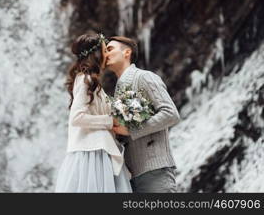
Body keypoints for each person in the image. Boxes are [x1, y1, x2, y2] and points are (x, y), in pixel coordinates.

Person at [54, 33, 132, 192]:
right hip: (92, 153)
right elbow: (76, 117)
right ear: (96, 55)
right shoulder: (85, 80)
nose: (107, 54)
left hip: (98, 149)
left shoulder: (92, 82)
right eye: (105, 50)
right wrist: (110, 121)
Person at [106, 36, 180, 193]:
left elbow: (171, 113)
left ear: (127, 52)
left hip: (155, 170)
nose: (105, 54)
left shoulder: (144, 77)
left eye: (110, 49)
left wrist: (131, 131)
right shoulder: (119, 90)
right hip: (133, 175)